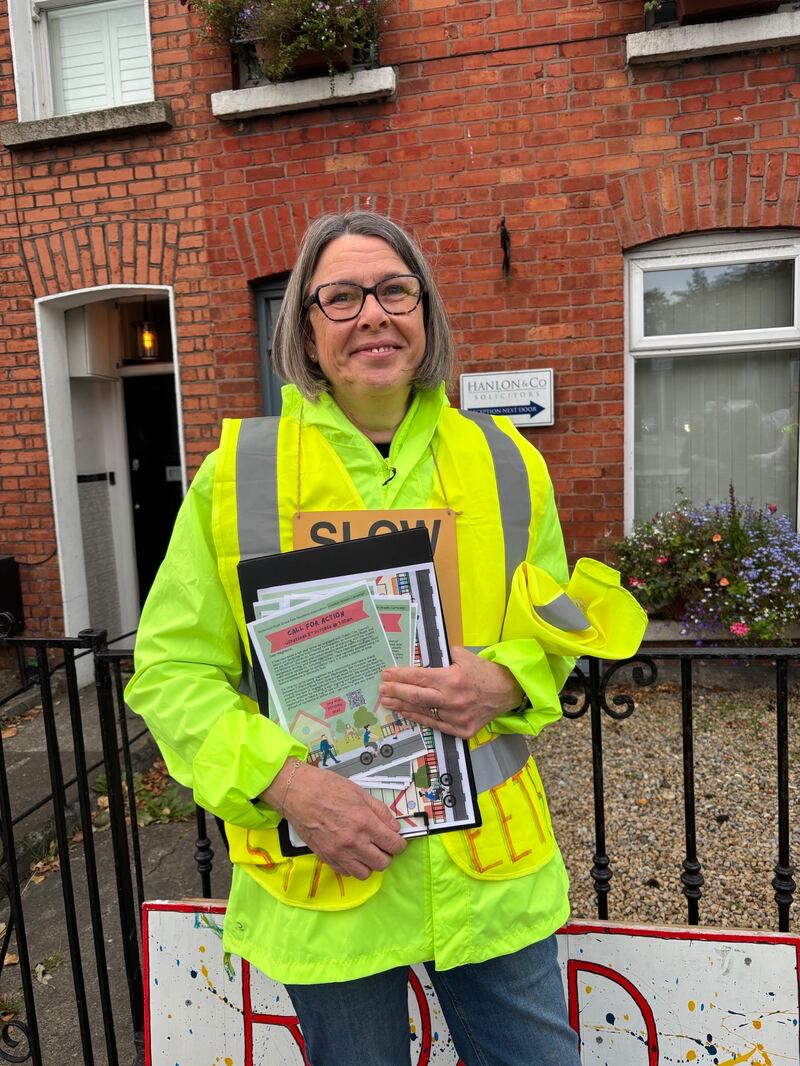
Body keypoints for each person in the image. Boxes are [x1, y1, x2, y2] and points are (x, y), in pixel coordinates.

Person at [126, 211, 591, 1065]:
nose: (373, 313)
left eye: (395, 291)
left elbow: (556, 630)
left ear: (426, 313)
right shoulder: (237, 476)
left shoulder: (508, 461)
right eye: (340, 297)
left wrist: (505, 681)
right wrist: (286, 784)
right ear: (306, 329)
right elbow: (170, 670)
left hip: (490, 868)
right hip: (326, 871)